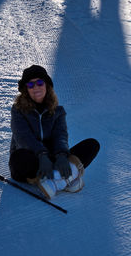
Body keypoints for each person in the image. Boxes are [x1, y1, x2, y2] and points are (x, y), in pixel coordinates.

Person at [9, 65, 100, 197]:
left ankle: (54, 182)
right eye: (31, 85)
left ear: (46, 85)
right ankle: (67, 177)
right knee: (19, 158)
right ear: (26, 89)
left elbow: (60, 136)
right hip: (30, 161)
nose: (36, 87)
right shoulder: (18, 110)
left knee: (92, 145)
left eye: (40, 82)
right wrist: (41, 155)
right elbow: (23, 137)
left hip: (52, 160)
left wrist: (62, 155)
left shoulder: (58, 111)